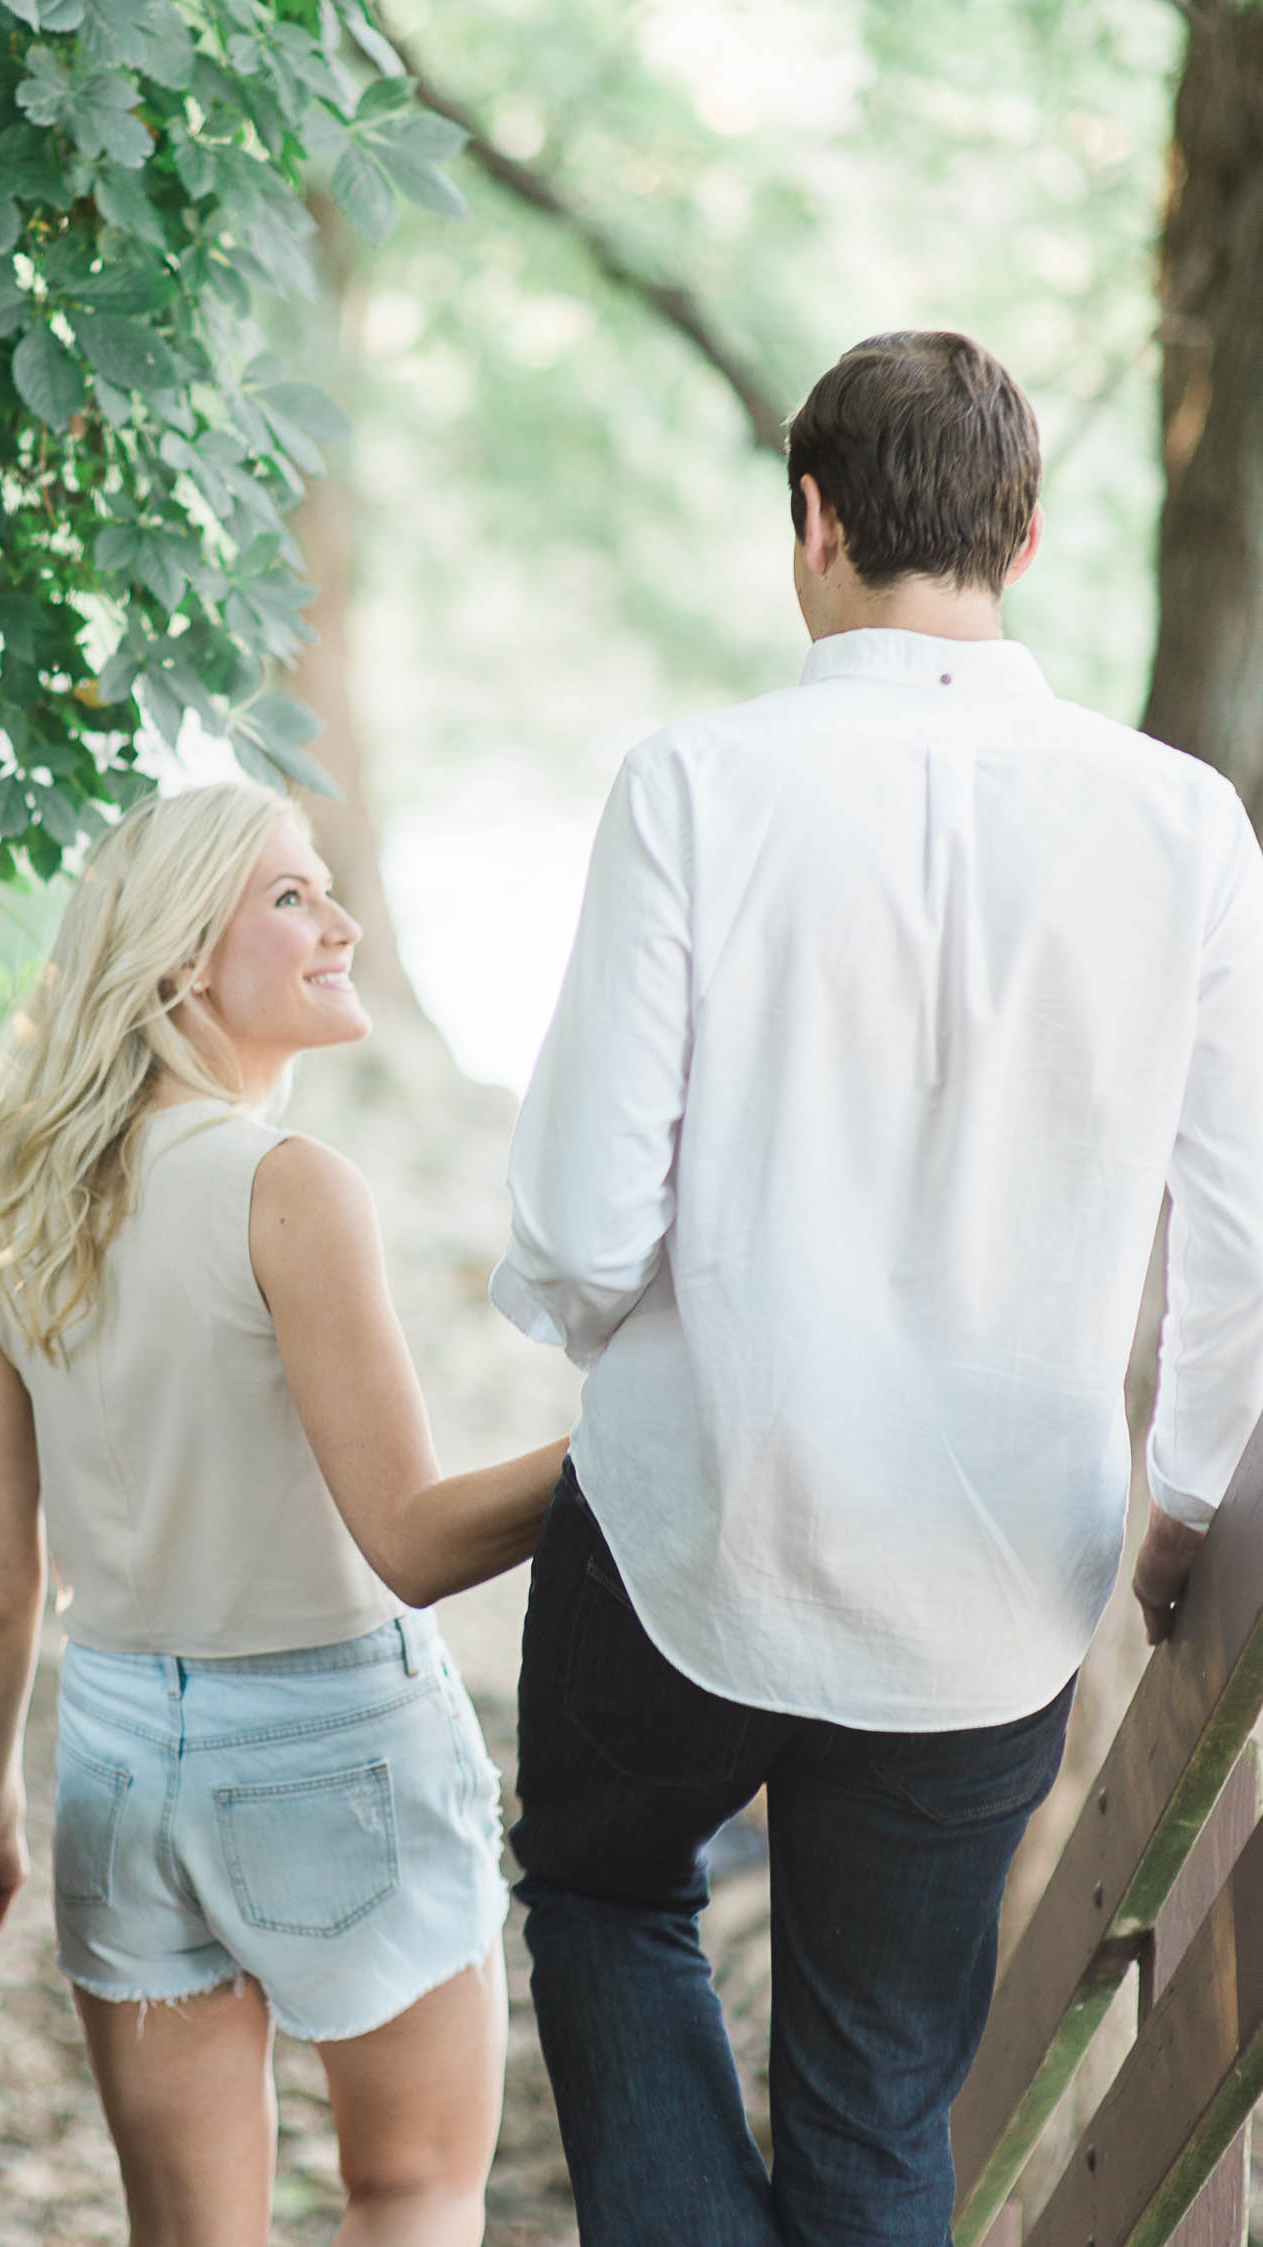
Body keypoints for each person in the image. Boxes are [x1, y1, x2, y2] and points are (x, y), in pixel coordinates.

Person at [490, 330, 1263, 2243]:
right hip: (994, 1582)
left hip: (696, 1528)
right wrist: (1181, 1501)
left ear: (811, 523)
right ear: (1022, 530)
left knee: (602, 1891)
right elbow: (1239, 1216)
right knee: (872, 2105)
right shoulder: (1185, 827)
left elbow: (589, 1234)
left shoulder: (693, 783)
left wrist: (631, 1346)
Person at [0, 781, 564, 2247]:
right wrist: (634, 1454)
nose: (342, 922)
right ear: (181, 957)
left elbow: (1, 1574)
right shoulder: (289, 1187)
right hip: (329, 1748)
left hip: (114, 1751)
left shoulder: (29, 1194)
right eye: (291, 897)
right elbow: (414, 1543)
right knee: (414, 2190)